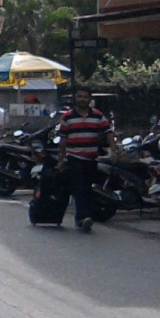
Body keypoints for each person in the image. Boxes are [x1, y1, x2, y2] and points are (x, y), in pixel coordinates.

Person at [58, 87, 111, 233]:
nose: (82, 99)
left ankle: (80, 218)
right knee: (79, 187)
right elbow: (63, 139)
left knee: (87, 188)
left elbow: (108, 132)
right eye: (80, 96)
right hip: (74, 157)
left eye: (85, 97)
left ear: (90, 99)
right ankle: (84, 216)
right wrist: (61, 159)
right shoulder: (68, 117)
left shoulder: (98, 116)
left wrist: (115, 149)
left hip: (91, 158)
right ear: (76, 98)